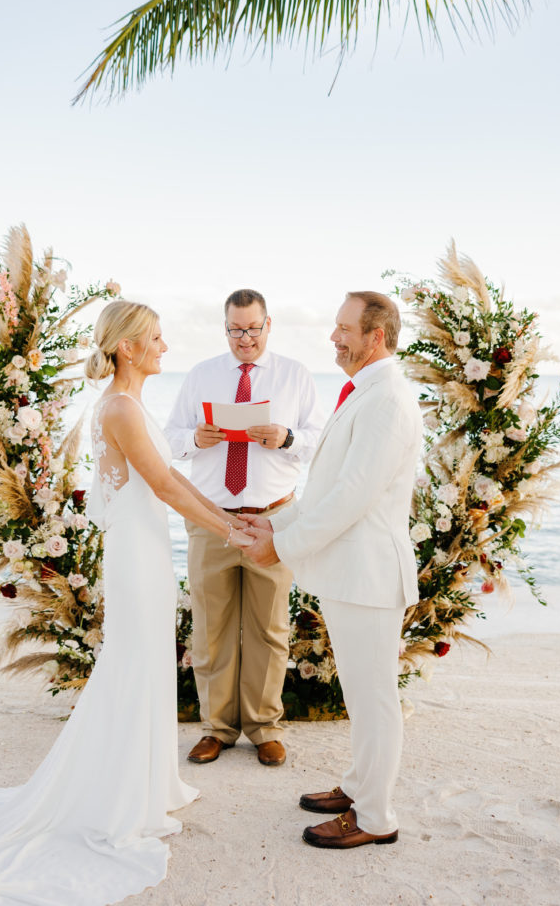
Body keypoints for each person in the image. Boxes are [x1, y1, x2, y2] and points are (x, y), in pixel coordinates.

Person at [0, 301, 253, 906]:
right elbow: (167, 485)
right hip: (137, 555)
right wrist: (232, 529)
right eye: (154, 337)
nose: (164, 345)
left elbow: (171, 480)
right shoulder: (120, 408)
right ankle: (119, 797)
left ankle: (147, 782)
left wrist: (226, 519)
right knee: (132, 662)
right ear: (126, 348)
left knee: (145, 661)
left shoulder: (130, 405)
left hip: (145, 548)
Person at [244, 291, 422, 849]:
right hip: (352, 573)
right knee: (361, 695)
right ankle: (357, 785)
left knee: (374, 698)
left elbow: (352, 498)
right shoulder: (363, 392)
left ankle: (375, 817)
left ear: (377, 336)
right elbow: (326, 488)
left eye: (345, 328)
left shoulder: (387, 400)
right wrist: (278, 524)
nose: (333, 337)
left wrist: (284, 546)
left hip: (369, 576)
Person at [165, 288, 324, 767]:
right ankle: (216, 729)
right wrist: (195, 437)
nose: (245, 338)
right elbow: (169, 438)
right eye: (235, 329)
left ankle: (264, 728)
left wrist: (286, 436)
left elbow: (320, 440)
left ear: (268, 325)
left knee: (269, 629)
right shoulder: (201, 375)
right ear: (225, 328)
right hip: (212, 518)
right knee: (210, 629)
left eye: (253, 328)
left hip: (273, 519)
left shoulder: (295, 376)